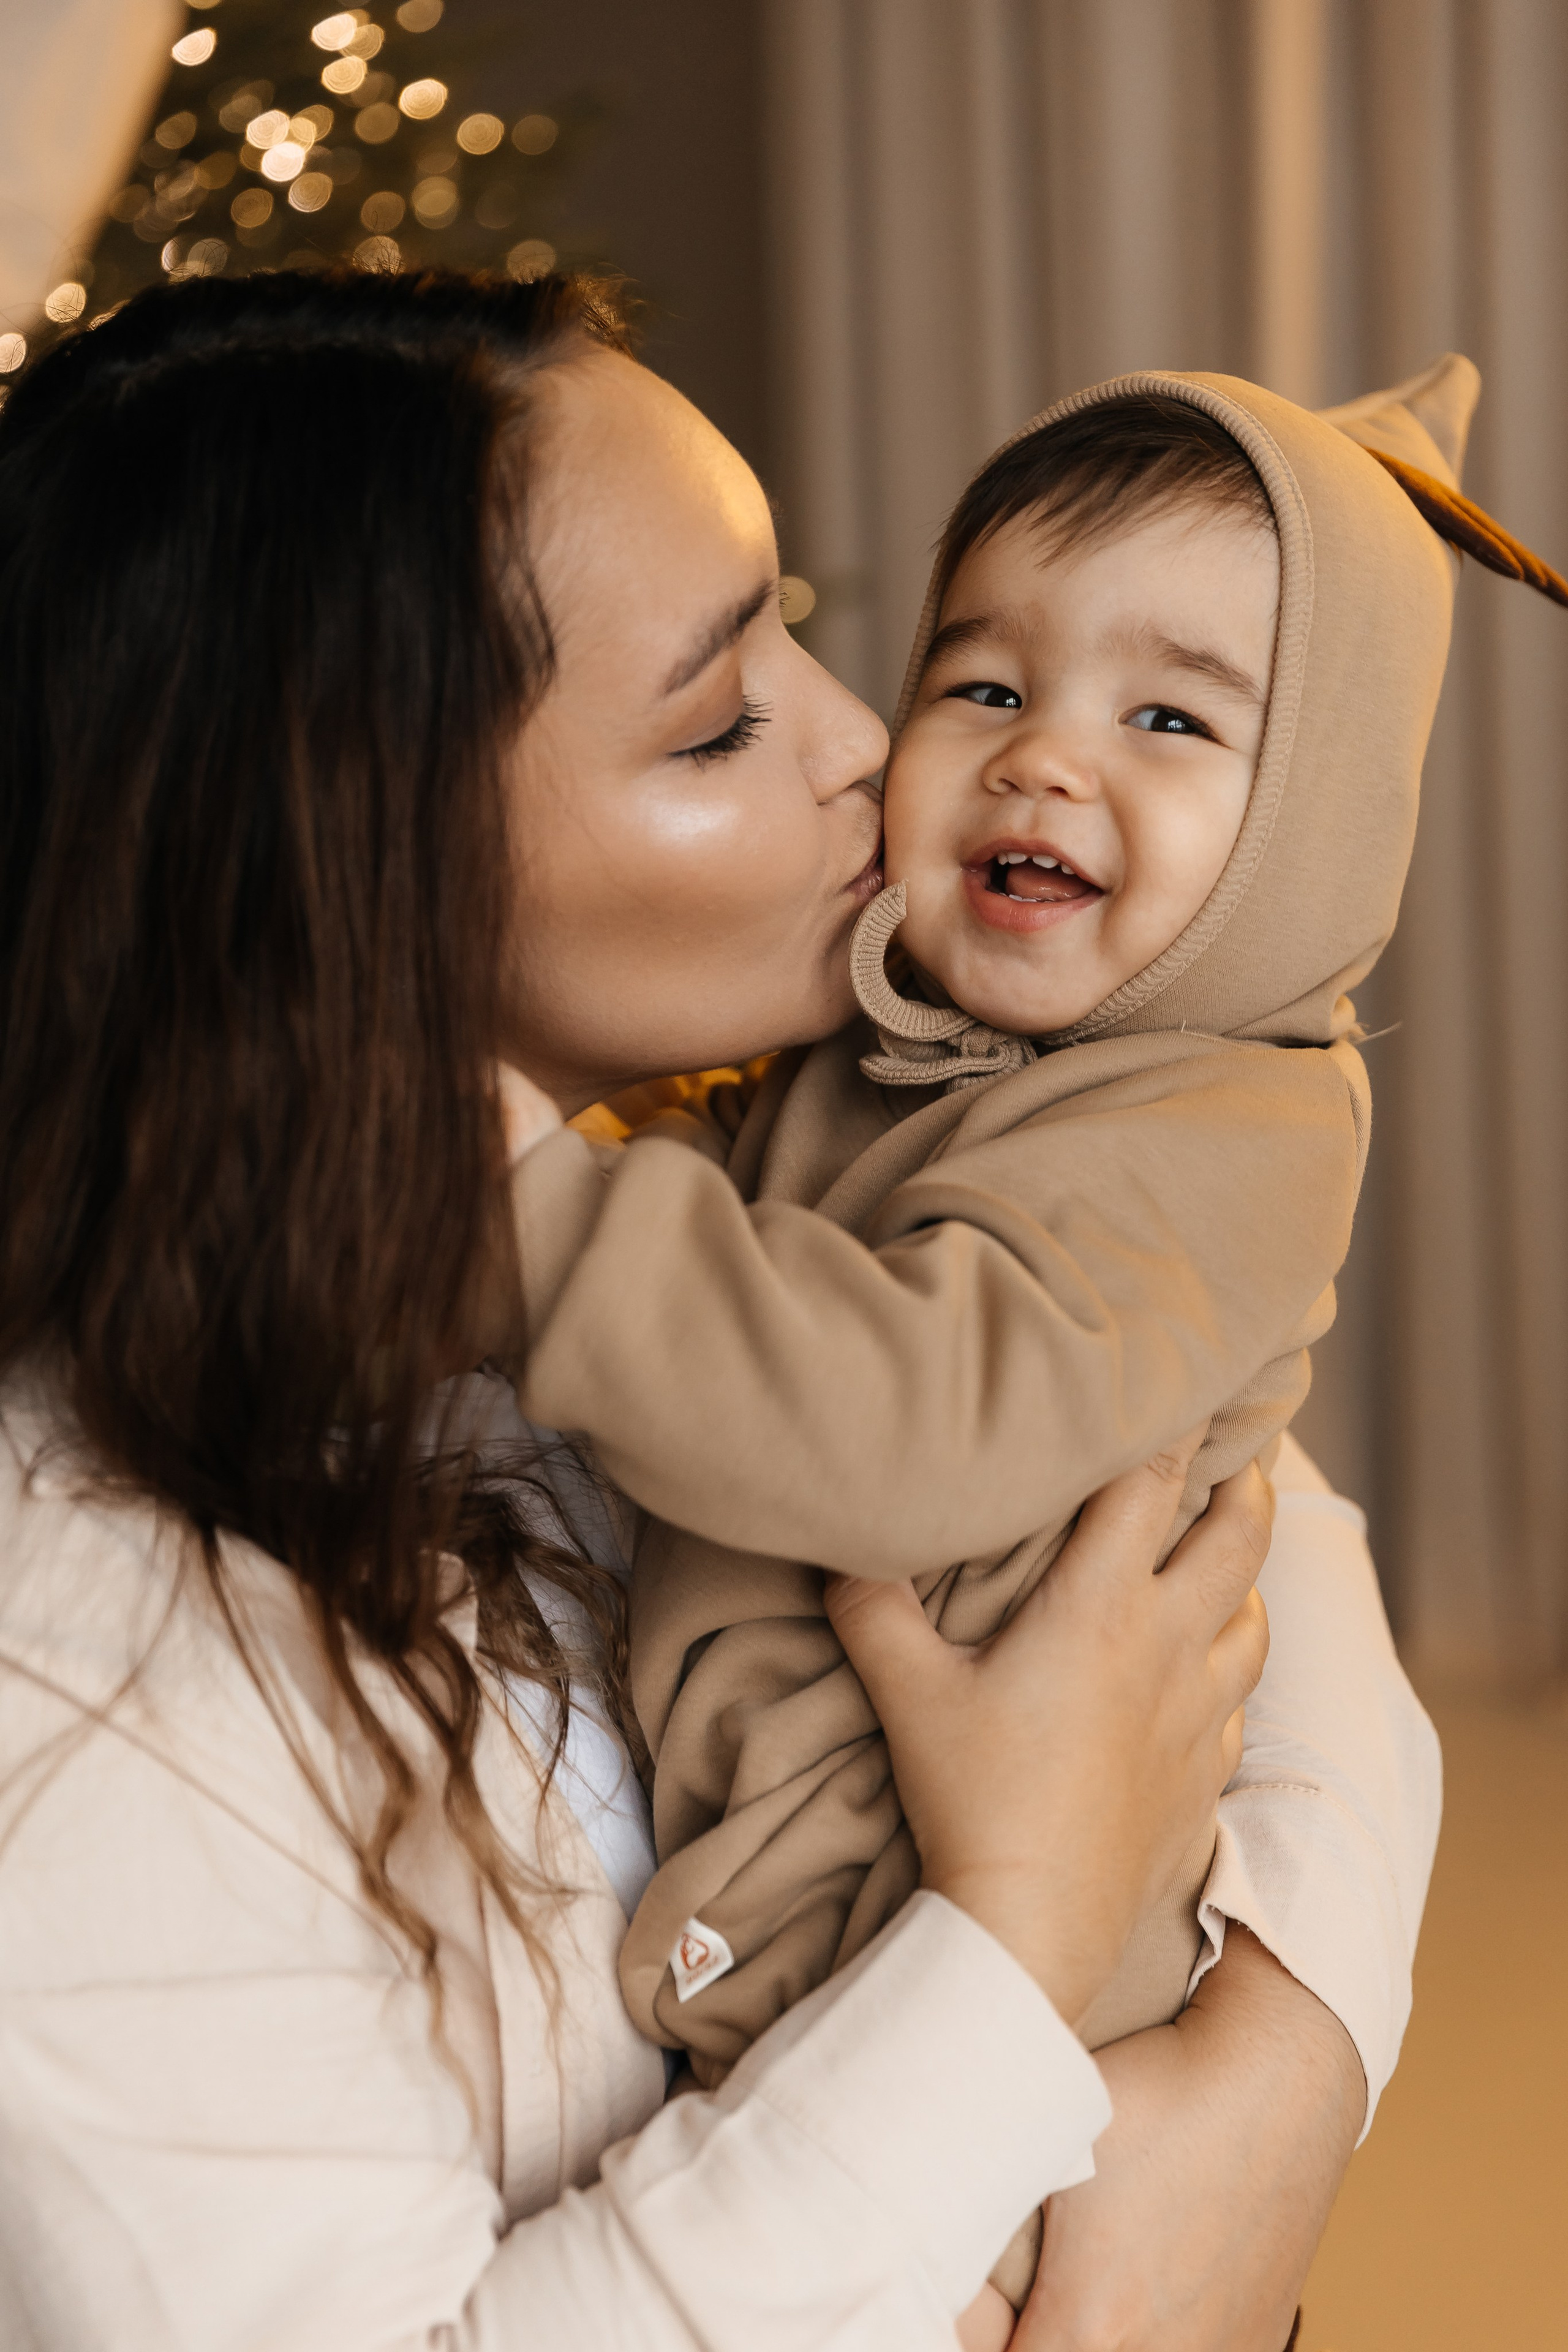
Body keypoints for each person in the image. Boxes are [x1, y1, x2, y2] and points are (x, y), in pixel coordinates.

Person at [0, 268, 1426, 2352]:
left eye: (808, 626)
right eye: (721, 717)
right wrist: (1013, 1937)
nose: (881, 745)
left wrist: (1279, 2060)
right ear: (343, 880)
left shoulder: (718, 1177)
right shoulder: (88, 1680)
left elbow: (1246, 1503)